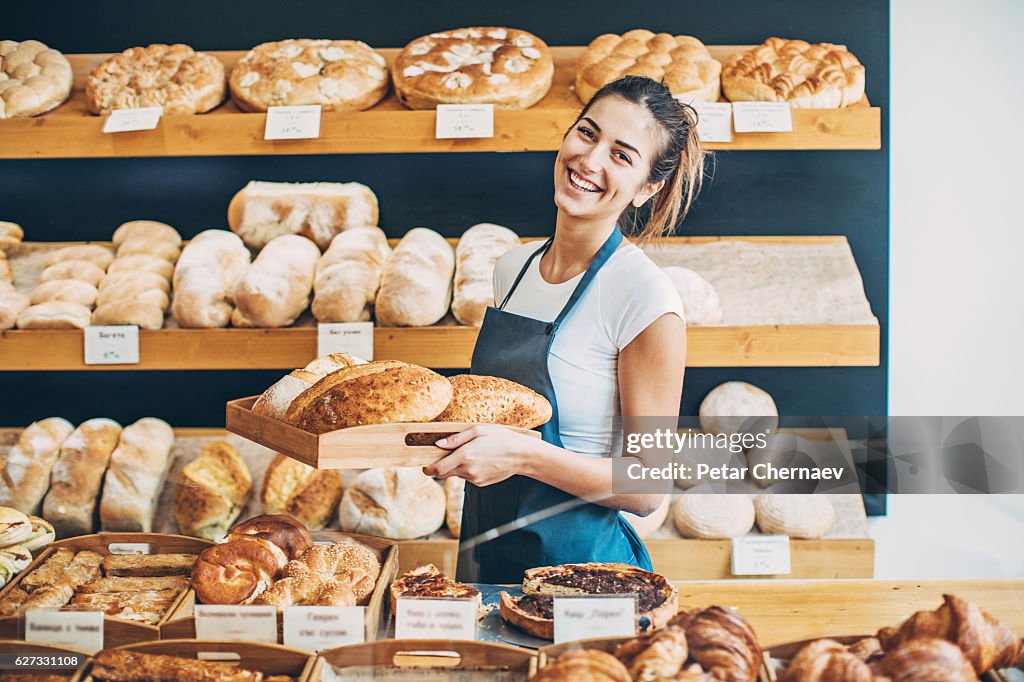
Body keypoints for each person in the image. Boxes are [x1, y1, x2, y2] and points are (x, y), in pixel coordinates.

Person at [424, 76, 707, 583]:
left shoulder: (645, 297)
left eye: (622, 156)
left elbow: (647, 486)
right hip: (486, 559)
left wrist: (522, 454)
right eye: (587, 133)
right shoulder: (511, 269)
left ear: (648, 187)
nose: (591, 161)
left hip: (584, 579)